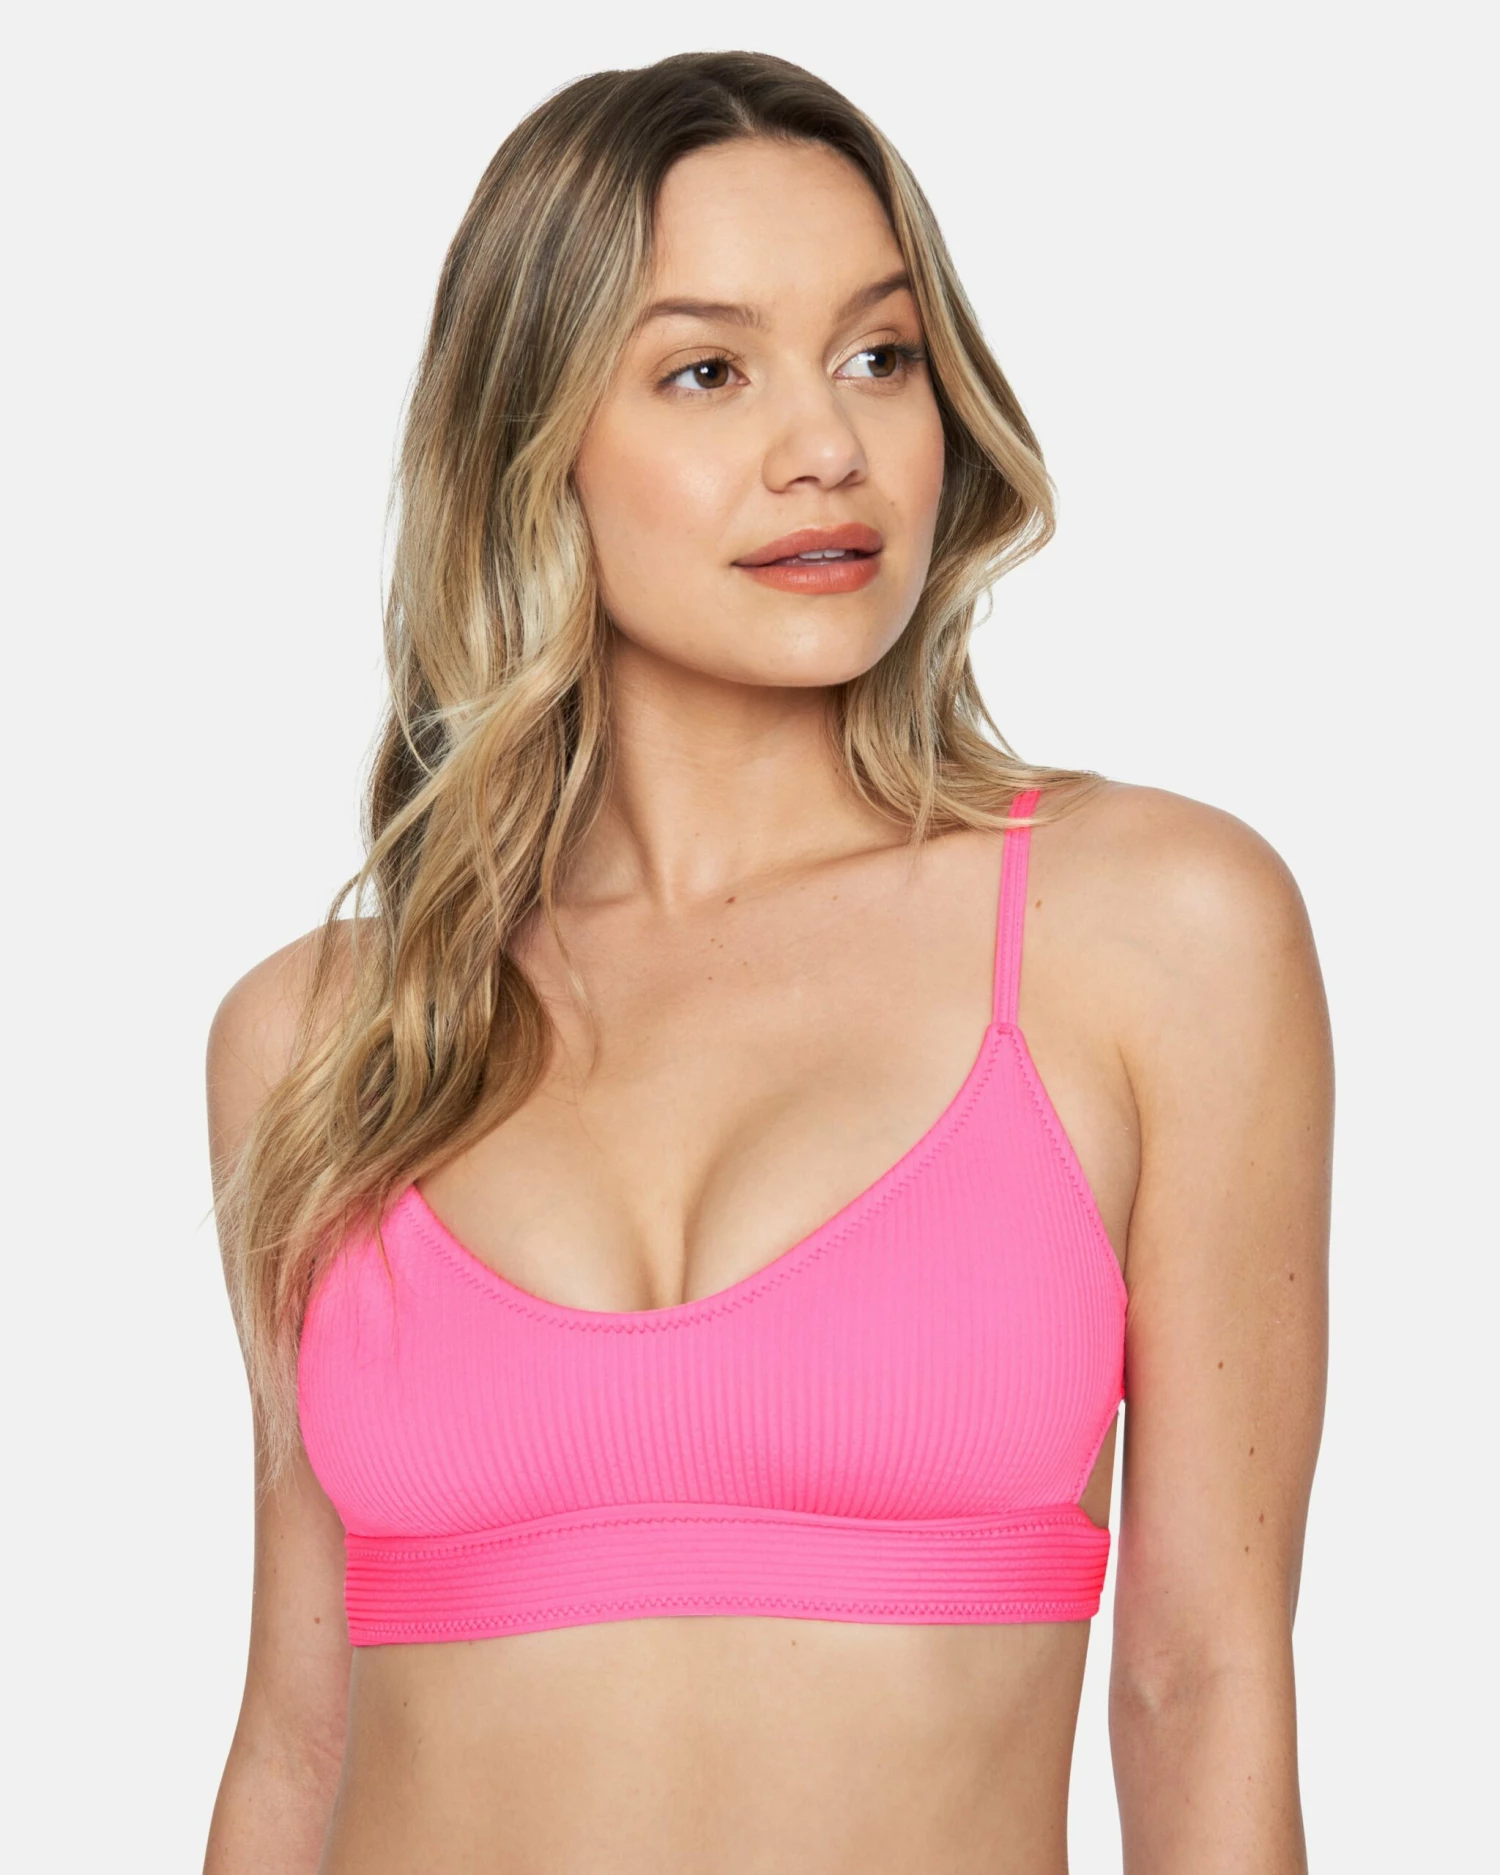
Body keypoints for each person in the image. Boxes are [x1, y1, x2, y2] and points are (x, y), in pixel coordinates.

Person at [203, 50, 1331, 1875]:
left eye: (880, 356)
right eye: (709, 371)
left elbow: (1200, 1683)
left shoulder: (1151, 932)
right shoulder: (332, 1034)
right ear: (533, 443)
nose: (828, 446)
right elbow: (295, 1731)